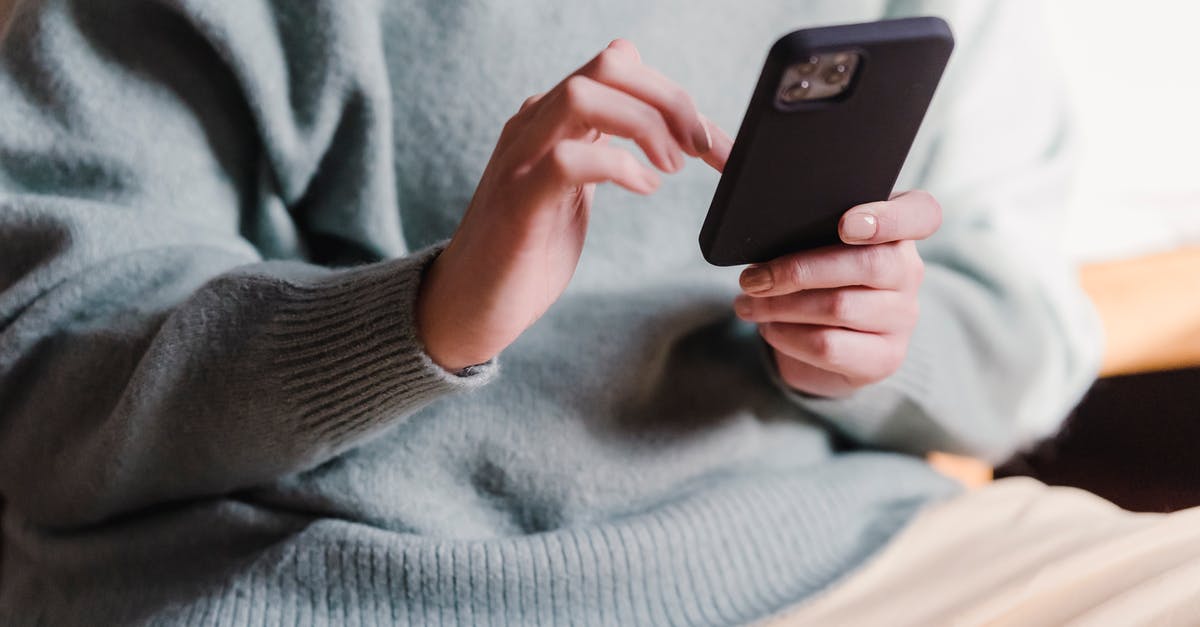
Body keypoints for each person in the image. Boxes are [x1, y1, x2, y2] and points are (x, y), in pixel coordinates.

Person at [7, 1, 1188, 625]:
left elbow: (1028, 337)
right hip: (339, 580)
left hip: (849, 549)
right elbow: (41, 378)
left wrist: (878, 344)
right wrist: (424, 316)